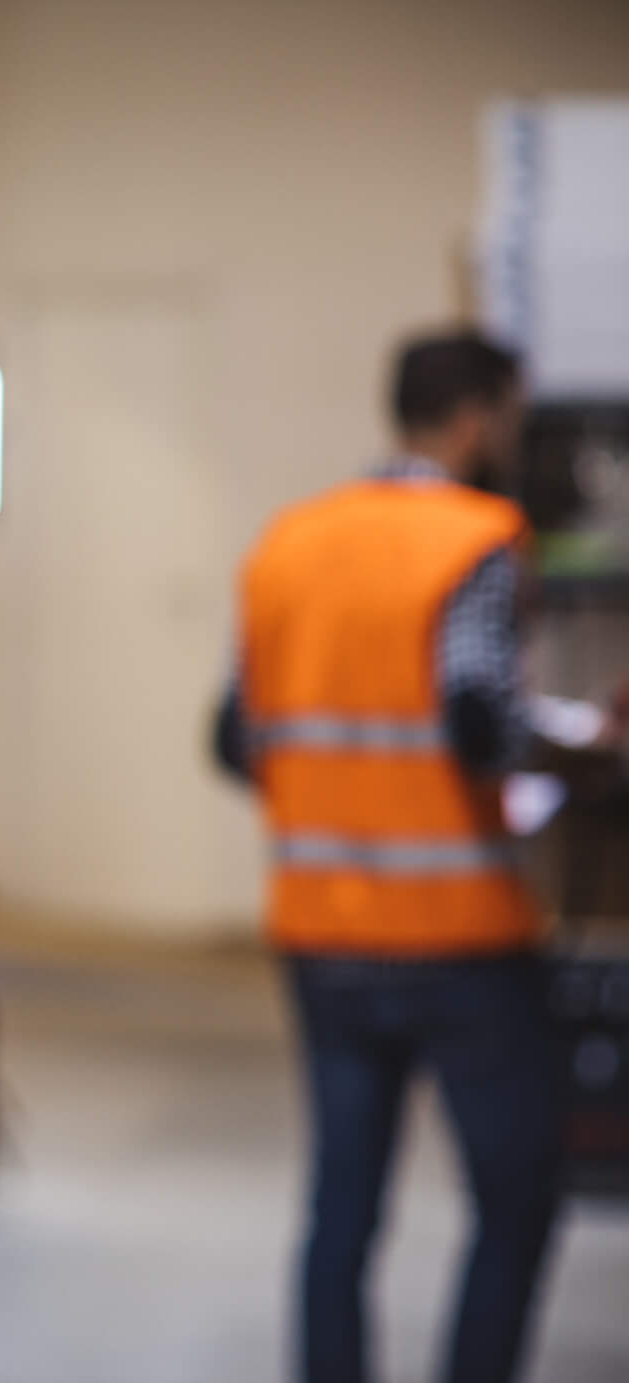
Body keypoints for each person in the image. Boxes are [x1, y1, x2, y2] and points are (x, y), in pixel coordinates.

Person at [215, 331, 580, 1383]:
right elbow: (479, 721)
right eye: (507, 417)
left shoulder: (289, 541)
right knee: (515, 1195)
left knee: (342, 1206)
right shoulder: (477, 539)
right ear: (472, 418)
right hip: (458, 935)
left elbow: (235, 735)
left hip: (320, 927)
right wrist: (579, 750)